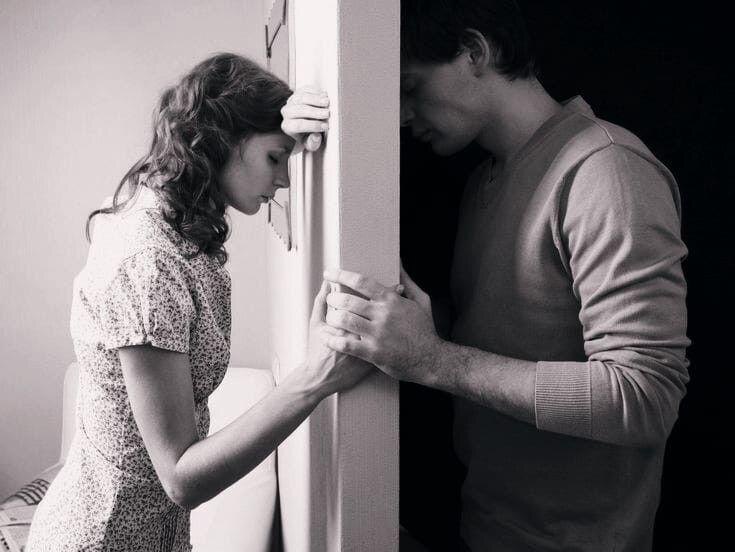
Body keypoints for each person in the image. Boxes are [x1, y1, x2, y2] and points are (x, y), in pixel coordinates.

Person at [282, 0, 690, 550]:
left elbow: (644, 399)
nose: (401, 114)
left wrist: (430, 358)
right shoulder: (486, 180)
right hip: (486, 526)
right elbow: (506, 337)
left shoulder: (606, 172)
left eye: (410, 86)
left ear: (475, 52)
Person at [26, 53, 368, 552]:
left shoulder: (162, 216)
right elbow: (181, 478)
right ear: (221, 140)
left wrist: (284, 125)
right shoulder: (149, 263)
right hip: (101, 539)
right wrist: (315, 378)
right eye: (275, 159)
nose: (285, 180)